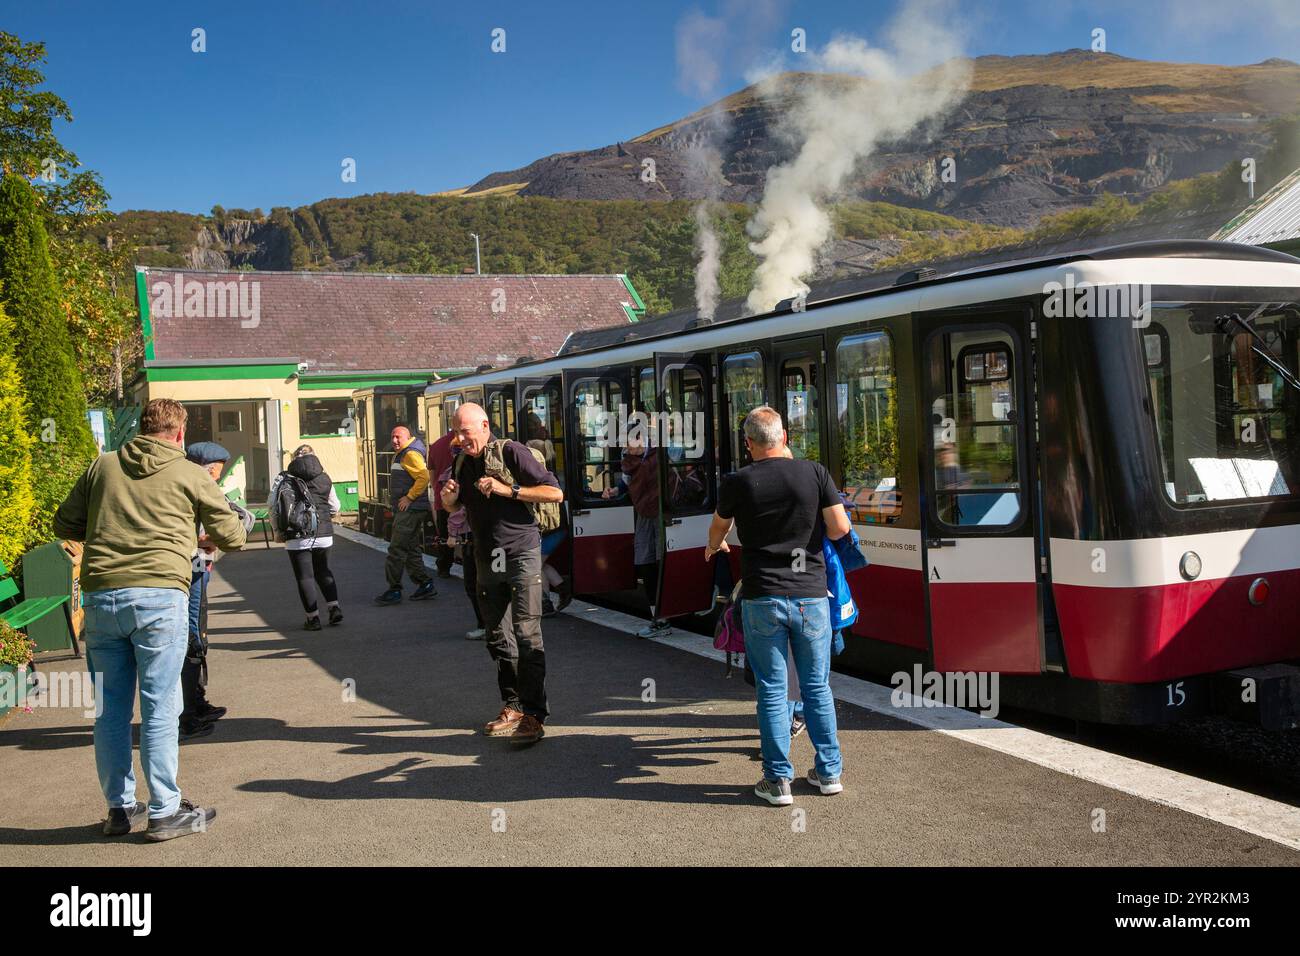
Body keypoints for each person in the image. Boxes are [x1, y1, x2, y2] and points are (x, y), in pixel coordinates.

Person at [53, 398, 247, 841]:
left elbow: (64, 523)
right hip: (160, 597)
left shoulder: (102, 466)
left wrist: (112, 530)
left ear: (141, 428)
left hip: (102, 598)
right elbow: (233, 536)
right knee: (160, 706)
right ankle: (164, 810)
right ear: (180, 434)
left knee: (109, 709)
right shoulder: (189, 474)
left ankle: (119, 809)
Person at [705, 406, 851, 807]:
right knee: (816, 687)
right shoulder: (814, 473)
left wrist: (714, 545)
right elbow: (840, 528)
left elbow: (719, 526)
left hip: (763, 597)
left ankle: (777, 782)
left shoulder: (737, 481)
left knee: (772, 689)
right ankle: (829, 773)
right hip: (811, 598)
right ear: (784, 437)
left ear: (748, 443)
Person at [441, 403, 563, 744]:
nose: (460, 438)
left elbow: (555, 492)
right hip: (487, 556)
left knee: (526, 634)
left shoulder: (512, 452)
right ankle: (513, 706)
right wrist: (449, 500)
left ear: (484, 426)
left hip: (521, 552)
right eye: (456, 432)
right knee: (496, 635)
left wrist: (508, 490)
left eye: (465, 431)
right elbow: (457, 505)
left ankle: (534, 716)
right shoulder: (462, 462)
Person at [181, 441, 254, 740]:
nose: (217, 479)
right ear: (207, 469)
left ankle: (196, 701)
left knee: (197, 635)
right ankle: (188, 713)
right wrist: (209, 540)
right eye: (216, 473)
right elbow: (196, 535)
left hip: (197, 568)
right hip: (192, 570)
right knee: (192, 637)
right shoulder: (194, 489)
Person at [270, 444, 343, 630]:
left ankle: (313, 619)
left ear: (294, 458)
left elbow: (273, 506)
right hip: (324, 534)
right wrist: (323, 518)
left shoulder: (284, 478)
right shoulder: (324, 477)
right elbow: (335, 506)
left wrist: (277, 531)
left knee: (305, 577)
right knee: (324, 571)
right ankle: (334, 608)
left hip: (296, 535)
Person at [602, 435, 667, 638]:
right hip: (644, 513)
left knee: (662, 563)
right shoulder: (629, 459)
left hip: (663, 513)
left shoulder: (661, 454)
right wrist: (614, 491)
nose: (626, 448)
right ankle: (657, 617)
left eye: (629, 444)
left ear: (642, 440)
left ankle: (664, 617)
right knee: (645, 562)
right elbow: (626, 483)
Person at [374, 425, 437, 605]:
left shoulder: (410, 454)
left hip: (410, 510)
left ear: (407, 437)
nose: (394, 440)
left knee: (397, 548)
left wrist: (409, 497)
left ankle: (394, 589)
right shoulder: (405, 452)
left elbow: (424, 477)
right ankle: (425, 584)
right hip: (413, 509)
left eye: (398, 437)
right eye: (392, 437)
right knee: (411, 548)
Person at [427, 426, 456, 579]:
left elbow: (431, 474)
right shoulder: (467, 443)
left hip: (443, 498)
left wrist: (438, 491)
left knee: (444, 534)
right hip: (463, 499)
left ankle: (444, 567)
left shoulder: (436, 445)